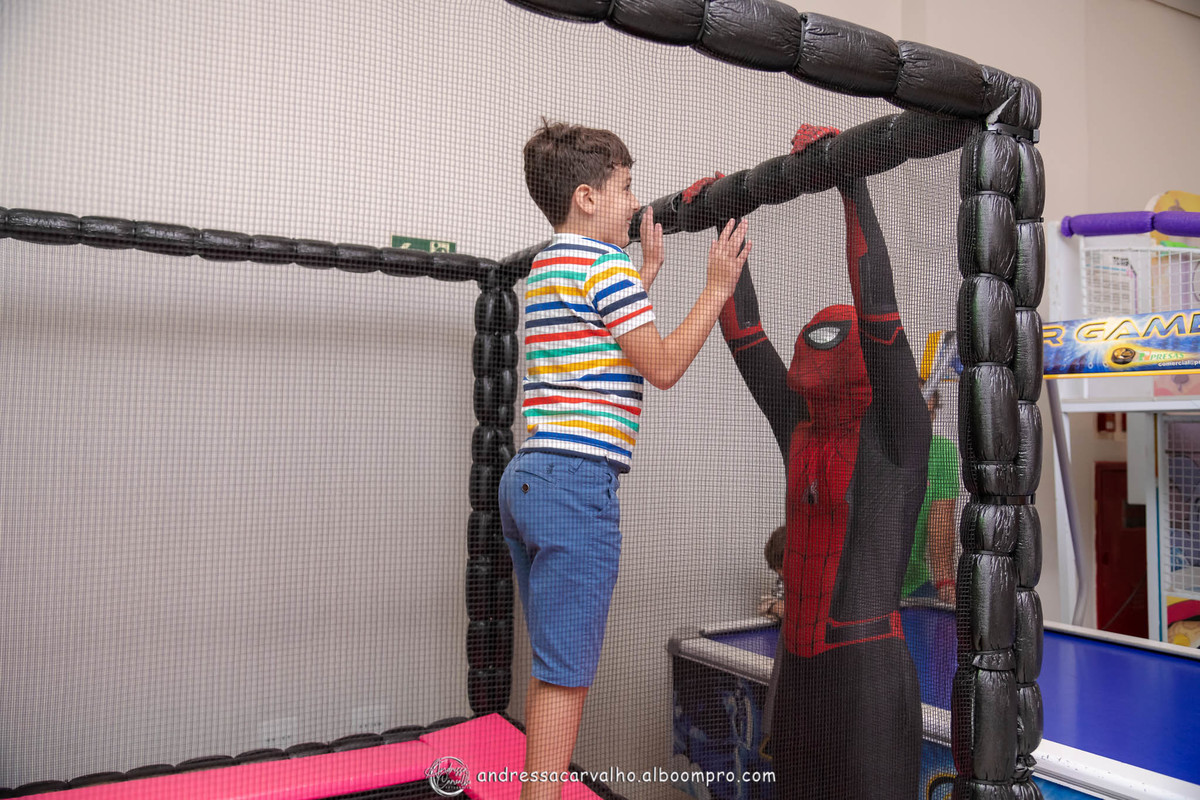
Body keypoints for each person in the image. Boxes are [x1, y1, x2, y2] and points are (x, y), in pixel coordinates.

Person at [500, 120, 750, 800]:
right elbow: (660, 365)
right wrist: (716, 288)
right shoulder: (605, 268)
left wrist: (644, 277)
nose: (637, 203)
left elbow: (595, 340)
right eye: (626, 188)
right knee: (566, 678)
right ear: (586, 197)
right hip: (576, 483)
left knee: (553, 665)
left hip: (528, 478)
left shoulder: (548, 267)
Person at [717, 124, 929, 800]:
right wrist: (726, 217)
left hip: (867, 673)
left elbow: (880, 310)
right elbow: (745, 335)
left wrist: (849, 180)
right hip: (800, 669)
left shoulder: (896, 431)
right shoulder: (800, 425)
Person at [901, 387, 960, 605]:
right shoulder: (870, 448)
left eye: (929, 413)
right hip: (864, 585)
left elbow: (940, 524)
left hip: (914, 585)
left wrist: (945, 582)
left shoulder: (942, 453)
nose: (921, 423)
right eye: (914, 412)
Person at [757, 525, 787, 621]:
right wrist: (774, 607)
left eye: (784, 566)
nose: (781, 574)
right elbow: (762, 606)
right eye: (778, 568)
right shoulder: (782, 582)